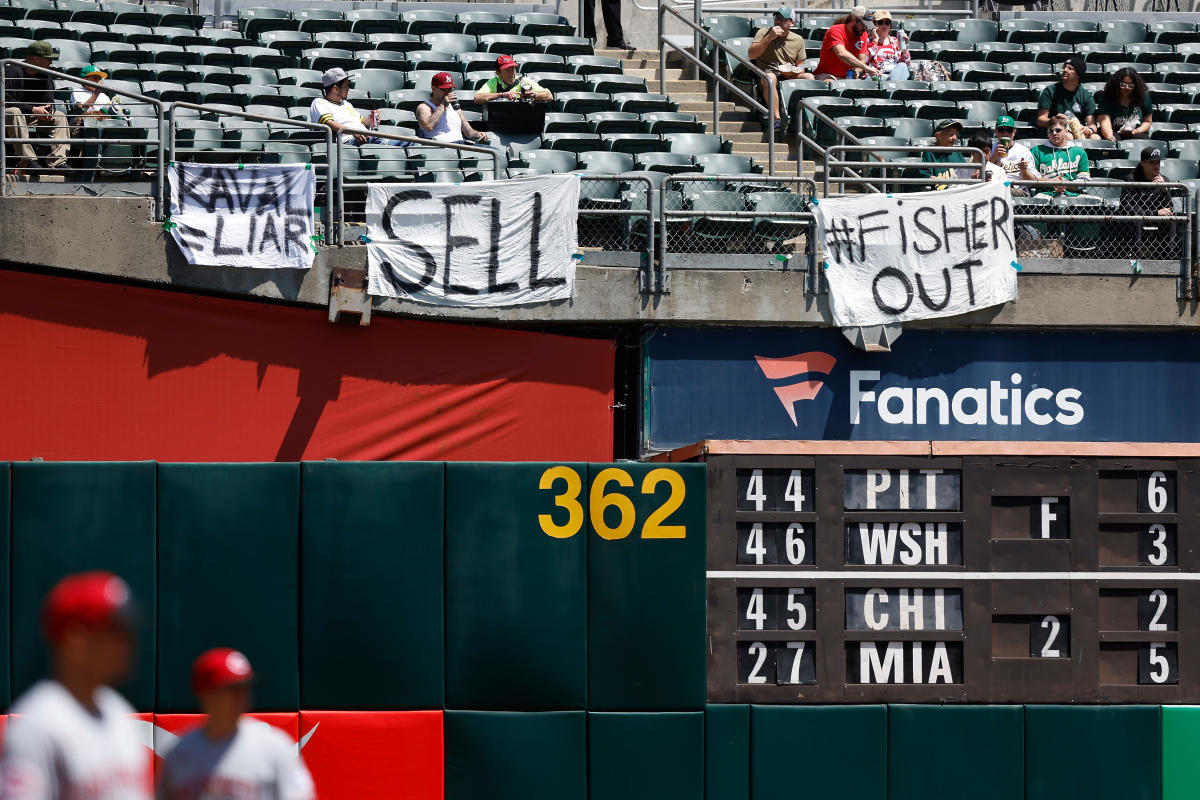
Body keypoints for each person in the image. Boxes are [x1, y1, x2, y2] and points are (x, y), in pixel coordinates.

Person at [0, 571, 151, 800]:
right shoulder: (38, 727)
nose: (128, 643)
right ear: (75, 637)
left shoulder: (120, 713)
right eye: (115, 631)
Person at [157, 648, 316, 800]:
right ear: (207, 694)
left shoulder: (274, 746)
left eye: (245, 687)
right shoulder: (178, 751)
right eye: (233, 689)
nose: (242, 696)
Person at [3, 40, 70, 173]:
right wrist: (33, 109)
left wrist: (48, 111)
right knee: (14, 111)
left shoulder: (45, 74)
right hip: (7, 116)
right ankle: (29, 160)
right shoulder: (12, 71)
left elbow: (49, 99)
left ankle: (57, 162)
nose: (51, 62)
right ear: (36, 58)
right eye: (48, 59)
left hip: (31, 115)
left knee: (59, 116)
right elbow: (5, 99)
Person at [747, 6, 813, 129]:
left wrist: (793, 72)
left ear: (792, 22)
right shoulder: (764, 32)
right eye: (776, 18)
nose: (778, 21)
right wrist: (769, 37)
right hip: (767, 72)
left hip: (788, 74)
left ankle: (807, 120)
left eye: (783, 19)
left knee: (809, 77)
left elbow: (800, 66)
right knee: (770, 78)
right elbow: (751, 54)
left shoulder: (797, 39)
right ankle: (776, 118)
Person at [1117, 145, 1176, 257]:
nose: (1156, 166)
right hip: (1135, 218)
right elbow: (1126, 207)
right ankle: (1136, 256)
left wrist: (1164, 190)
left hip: (1155, 217)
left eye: (1157, 162)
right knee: (1136, 219)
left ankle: (1168, 256)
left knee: (1171, 219)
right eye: (1152, 162)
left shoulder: (1164, 180)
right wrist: (1155, 213)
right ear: (1143, 163)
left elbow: (1170, 208)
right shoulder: (1131, 179)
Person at [1022, 113, 1091, 195]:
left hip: (1073, 196)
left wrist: (1067, 184)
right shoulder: (1037, 151)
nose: (1054, 133)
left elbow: (1084, 180)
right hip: (1045, 195)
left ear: (1066, 131)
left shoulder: (1079, 152)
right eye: (1050, 131)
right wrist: (1051, 182)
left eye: (1058, 130)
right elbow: (1032, 180)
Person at [416, 72, 490, 146]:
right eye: (444, 89)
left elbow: (468, 132)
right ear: (433, 89)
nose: (448, 92)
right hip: (440, 147)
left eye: (450, 89)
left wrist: (477, 134)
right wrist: (442, 105)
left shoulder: (454, 106)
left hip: (461, 145)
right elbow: (428, 126)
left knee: (494, 151)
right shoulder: (424, 107)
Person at [1036, 56, 1099, 140]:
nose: (1065, 70)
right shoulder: (1050, 91)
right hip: (1056, 130)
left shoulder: (1085, 95)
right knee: (1068, 137)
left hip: (1078, 130)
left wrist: (1090, 129)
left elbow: (1092, 124)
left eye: (1070, 68)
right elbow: (1040, 120)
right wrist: (1055, 120)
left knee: (1096, 137)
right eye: (1064, 68)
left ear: (1078, 74)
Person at [309, 67, 375, 145]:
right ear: (336, 88)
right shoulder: (319, 103)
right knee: (388, 143)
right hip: (347, 142)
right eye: (346, 86)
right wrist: (353, 132)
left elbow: (362, 122)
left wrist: (371, 119)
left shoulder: (346, 104)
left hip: (367, 138)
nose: (349, 89)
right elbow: (330, 124)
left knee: (389, 142)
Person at [813, 6, 880, 81]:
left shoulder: (862, 34)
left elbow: (862, 60)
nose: (865, 28)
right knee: (832, 84)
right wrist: (867, 68)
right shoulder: (835, 30)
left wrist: (857, 70)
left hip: (848, 77)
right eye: (864, 24)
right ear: (854, 19)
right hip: (827, 75)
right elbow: (842, 54)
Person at [1097, 66, 1154, 142]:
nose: (1126, 88)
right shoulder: (1107, 97)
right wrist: (1109, 136)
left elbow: (1147, 121)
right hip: (1114, 132)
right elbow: (1104, 121)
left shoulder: (1143, 97)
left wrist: (1136, 131)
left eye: (1131, 85)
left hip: (1136, 132)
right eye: (1123, 84)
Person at [473, 55, 552, 103]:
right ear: (498, 73)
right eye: (507, 70)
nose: (512, 73)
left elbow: (549, 96)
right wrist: (502, 95)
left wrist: (534, 95)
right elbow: (477, 98)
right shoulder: (494, 82)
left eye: (513, 69)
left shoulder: (523, 81)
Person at [916, 119, 967, 189]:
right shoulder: (930, 152)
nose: (955, 138)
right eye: (951, 134)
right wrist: (937, 180)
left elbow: (966, 173)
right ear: (939, 135)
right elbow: (925, 175)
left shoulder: (957, 153)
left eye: (956, 134)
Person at [865, 10, 911, 82]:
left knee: (902, 66)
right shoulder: (868, 41)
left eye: (887, 23)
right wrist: (874, 42)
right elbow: (864, 60)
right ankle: (894, 87)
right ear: (874, 25)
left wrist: (905, 48)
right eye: (880, 22)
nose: (884, 25)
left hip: (894, 74)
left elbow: (906, 65)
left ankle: (892, 85)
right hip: (875, 76)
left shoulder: (895, 41)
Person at [988, 114, 1034, 182]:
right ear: (996, 132)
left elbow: (1032, 181)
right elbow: (982, 174)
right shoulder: (989, 149)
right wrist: (994, 157)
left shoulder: (1023, 151)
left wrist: (1024, 170)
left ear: (1014, 132)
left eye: (1009, 130)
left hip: (1017, 188)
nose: (1005, 134)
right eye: (1001, 130)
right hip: (996, 187)